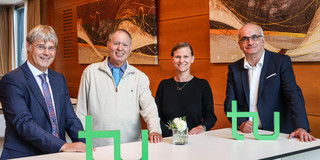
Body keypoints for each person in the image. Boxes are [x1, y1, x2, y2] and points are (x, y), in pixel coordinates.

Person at [0, 25, 86, 159]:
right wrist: (62, 146)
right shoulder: (12, 80)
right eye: (41, 47)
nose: (47, 53)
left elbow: (70, 118)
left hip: (57, 154)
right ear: (28, 46)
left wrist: (85, 144)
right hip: (25, 155)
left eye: (51, 48)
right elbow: (24, 123)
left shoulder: (58, 79)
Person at [224, 23, 316, 142]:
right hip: (248, 135)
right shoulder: (234, 68)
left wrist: (301, 126)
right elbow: (230, 103)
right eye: (245, 39)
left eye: (254, 37)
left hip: (278, 134)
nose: (250, 42)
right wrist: (241, 123)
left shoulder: (281, 62)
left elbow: (293, 95)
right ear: (240, 44)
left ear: (263, 40)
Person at [76, 29, 162, 147]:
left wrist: (155, 130)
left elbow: (150, 109)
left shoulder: (140, 77)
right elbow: (81, 112)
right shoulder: (90, 73)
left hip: (130, 146)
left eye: (125, 45)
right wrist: (81, 141)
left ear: (130, 48)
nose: (120, 48)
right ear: (108, 45)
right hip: (97, 146)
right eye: (116, 43)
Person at [155, 42, 217, 137]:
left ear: (192, 59)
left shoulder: (202, 85)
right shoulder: (164, 85)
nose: (181, 60)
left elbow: (211, 117)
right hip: (168, 140)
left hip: (195, 140)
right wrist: (171, 134)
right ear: (172, 59)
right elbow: (156, 116)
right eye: (177, 57)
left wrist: (202, 127)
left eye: (186, 56)